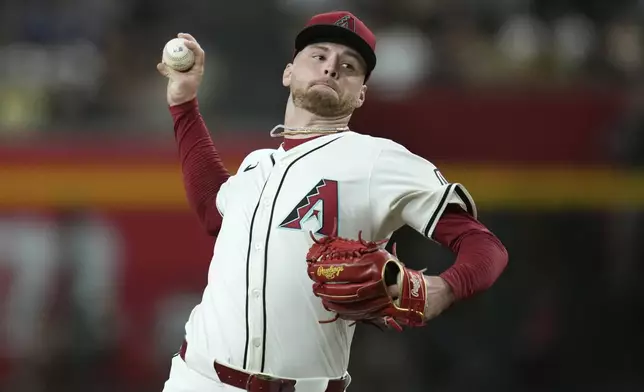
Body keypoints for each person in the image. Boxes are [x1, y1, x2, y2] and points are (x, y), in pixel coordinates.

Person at [156, 11, 508, 392]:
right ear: (289, 72)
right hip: (196, 379)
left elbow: (485, 247)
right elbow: (212, 209)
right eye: (318, 56)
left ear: (360, 94)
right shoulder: (258, 163)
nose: (331, 68)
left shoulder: (378, 160)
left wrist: (445, 288)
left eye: (349, 65)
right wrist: (184, 104)